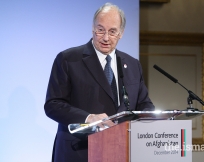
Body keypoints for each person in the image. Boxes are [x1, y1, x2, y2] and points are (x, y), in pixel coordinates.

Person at [44, 2, 154, 162]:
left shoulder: (132, 64)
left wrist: (153, 119)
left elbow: (144, 104)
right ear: (92, 28)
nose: (106, 37)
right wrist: (88, 118)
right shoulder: (68, 59)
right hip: (79, 152)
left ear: (121, 33)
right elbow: (53, 105)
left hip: (120, 151)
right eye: (100, 30)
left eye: (112, 31)